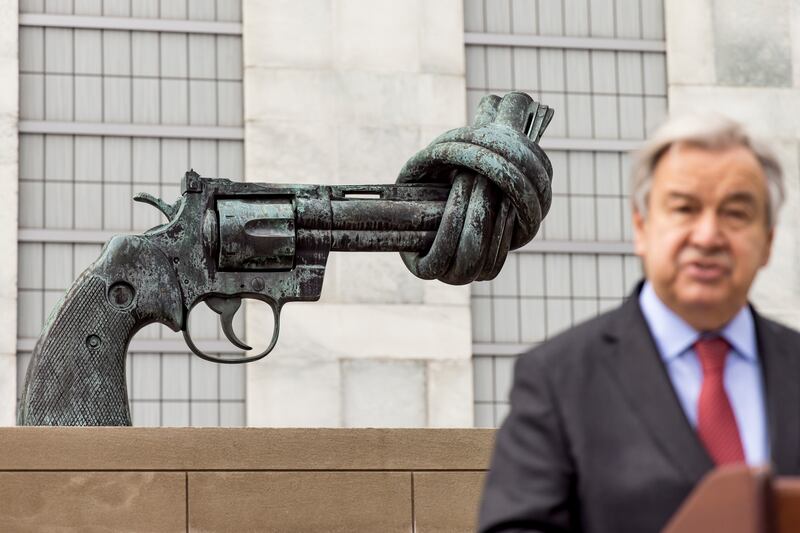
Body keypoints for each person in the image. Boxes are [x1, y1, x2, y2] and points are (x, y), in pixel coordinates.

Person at [478, 113, 800, 533]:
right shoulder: (558, 378)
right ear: (642, 227)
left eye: (735, 213)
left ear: (768, 242)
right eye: (684, 209)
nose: (707, 236)